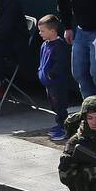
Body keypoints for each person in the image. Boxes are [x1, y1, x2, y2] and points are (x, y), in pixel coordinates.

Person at [37, 14, 72, 142]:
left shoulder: (60, 46)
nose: (40, 33)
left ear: (52, 31)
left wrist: (52, 74)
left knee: (60, 105)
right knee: (54, 105)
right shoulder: (44, 45)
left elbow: (61, 63)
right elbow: (42, 61)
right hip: (48, 84)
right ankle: (59, 124)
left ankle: (64, 127)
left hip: (57, 83)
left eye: (42, 31)